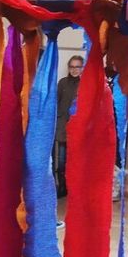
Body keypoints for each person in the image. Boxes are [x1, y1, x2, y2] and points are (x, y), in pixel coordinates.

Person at [55, 55, 83, 198]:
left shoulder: (85, 84)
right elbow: (56, 103)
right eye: (72, 67)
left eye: (77, 67)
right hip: (62, 128)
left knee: (76, 161)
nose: (74, 70)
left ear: (82, 68)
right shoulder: (62, 83)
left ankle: (74, 189)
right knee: (61, 161)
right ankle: (62, 187)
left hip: (79, 129)